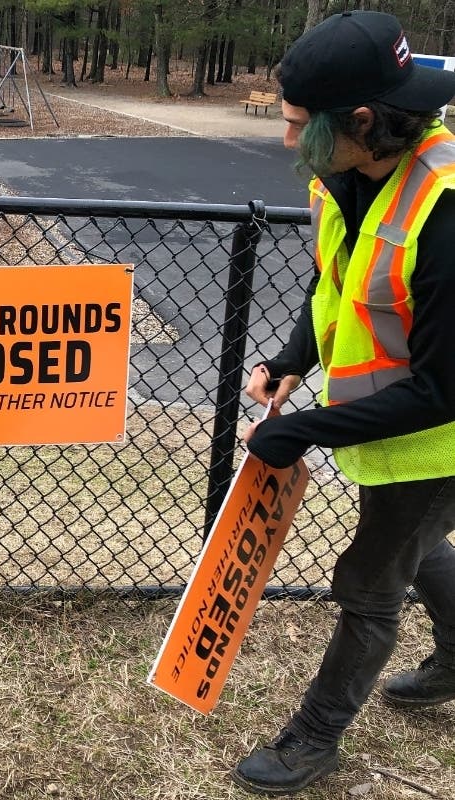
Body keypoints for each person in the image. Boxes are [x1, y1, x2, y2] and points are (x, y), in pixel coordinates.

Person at [235, 10, 455, 796]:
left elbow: (441, 389)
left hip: (441, 437)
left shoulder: (445, 213)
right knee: (413, 543)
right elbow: (339, 282)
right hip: (392, 426)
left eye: (299, 125)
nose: (288, 142)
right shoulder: (351, 173)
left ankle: (314, 736)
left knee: (369, 582)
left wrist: (303, 433)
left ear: (361, 120)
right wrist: (292, 360)